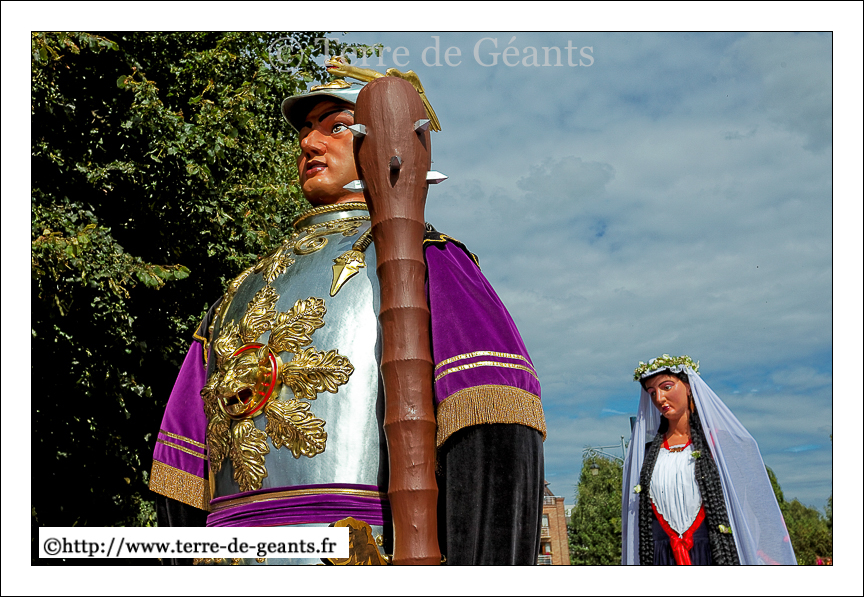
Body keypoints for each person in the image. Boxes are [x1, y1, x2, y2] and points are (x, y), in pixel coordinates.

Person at [148, 78, 546, 565]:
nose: (309, 144)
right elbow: (183, 464)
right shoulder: (235, 293)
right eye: (305, 131)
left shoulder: (430, 260)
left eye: (335, 127)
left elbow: (493, 437)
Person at [621, 354, 796, 565]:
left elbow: (761, 509)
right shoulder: (645, 455)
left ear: (688, 387)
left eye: (666, 387)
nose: (659, 398)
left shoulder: (724, 445)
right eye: (652, 392)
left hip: (716, 554)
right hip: (661, 558)